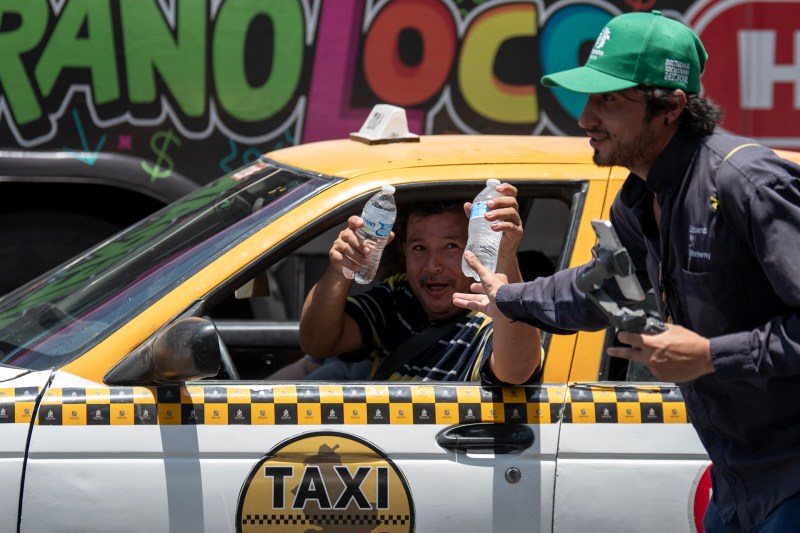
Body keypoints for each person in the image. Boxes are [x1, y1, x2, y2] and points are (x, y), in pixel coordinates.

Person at [454, 10, 800, 532]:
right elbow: (598, 291)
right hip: (739, 480)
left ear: (670, 108)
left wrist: (708, 355)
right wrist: (509, 296)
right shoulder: (640, 198)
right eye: (588, 98)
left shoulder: (745, 183)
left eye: (608, 100)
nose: (585, 118)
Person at [293, 185, 541, 384]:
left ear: (478, 246)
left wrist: (506, 258)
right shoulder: (400, 294)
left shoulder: (491, 314)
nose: (433, 266)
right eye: (419, 248)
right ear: (404, 252)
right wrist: (340, 268)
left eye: (451, 247)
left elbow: (516, 372)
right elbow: (317, 342)